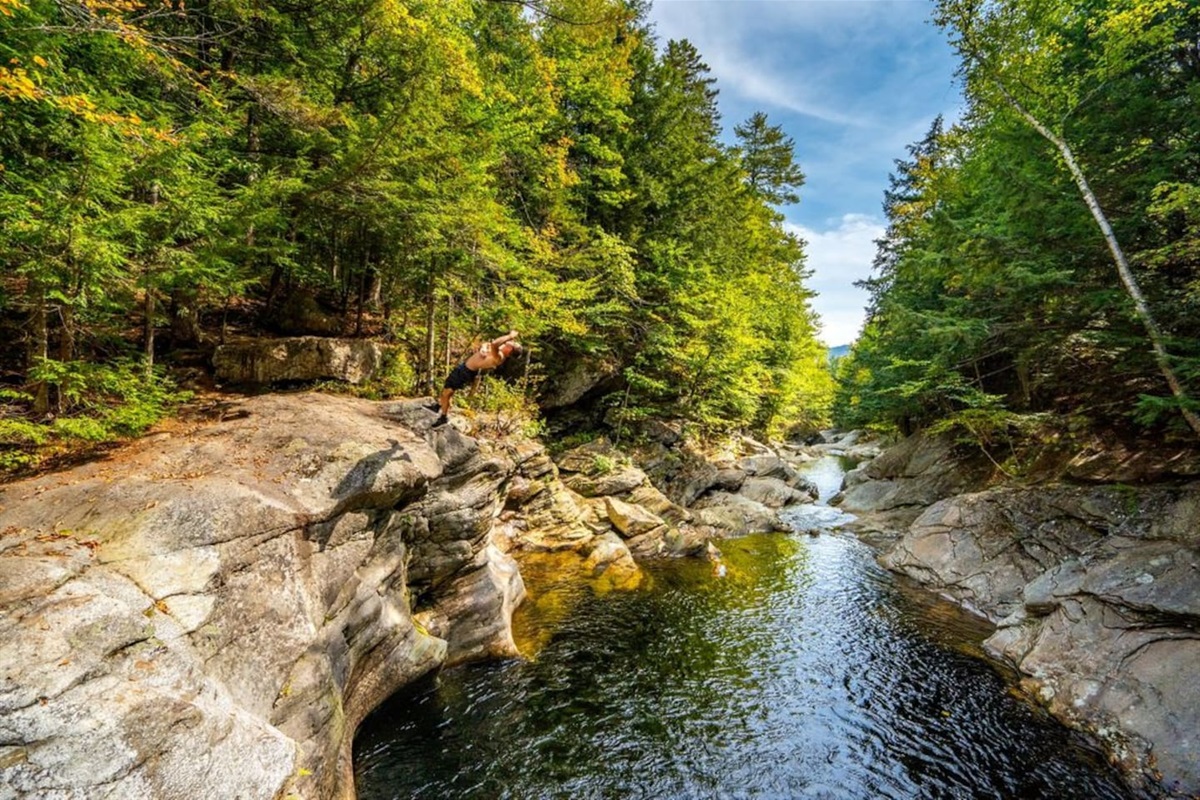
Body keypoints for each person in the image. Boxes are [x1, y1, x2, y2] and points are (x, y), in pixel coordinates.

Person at [432, 329, 522, 427]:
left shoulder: (499, 356)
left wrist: (509, 335)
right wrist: (483, 347)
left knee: (447, 392)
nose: (511, 342)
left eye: (513, 344)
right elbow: (488, 343)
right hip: (464, 368)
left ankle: (443, 417)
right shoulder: (499, 350)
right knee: (448, 389)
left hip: (466, 371)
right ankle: (439, 405)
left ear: (510, 350)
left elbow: (494, 344)